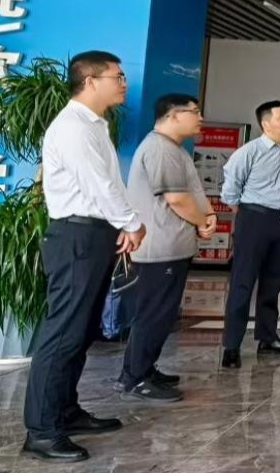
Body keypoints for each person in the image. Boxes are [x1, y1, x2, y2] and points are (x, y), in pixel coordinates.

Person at [23, 51, 147, 464]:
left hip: (94, 234)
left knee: (81, 331)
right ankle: (42, 431)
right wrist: (131, 223)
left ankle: (66, 410)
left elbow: (110, 183)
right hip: (75, 236)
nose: (124, 83)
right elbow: (98, 186)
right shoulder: (73, 127)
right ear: (90, 81)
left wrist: (121, 224)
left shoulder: (95, 125)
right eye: (117, 76)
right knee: (62, 333)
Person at [117, 94, 218, 403]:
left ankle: (143, 369)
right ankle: (136, 378)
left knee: (160, 314)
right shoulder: (160, 149)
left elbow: (192, 191)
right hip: (159, 249)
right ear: (173, 116)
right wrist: (202, 221)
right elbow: (177, 199)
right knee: (153, 314)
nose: (200, 118)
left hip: (172, 246)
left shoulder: (175, 149)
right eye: (194, 112)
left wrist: (208, 215)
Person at [220, 100, 280, 368]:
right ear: (266, 124)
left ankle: (267, 338)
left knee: (273, 282)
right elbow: (230, 192)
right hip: (254, 219)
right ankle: (231, 346)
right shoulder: (248, 152)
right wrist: (250, 215)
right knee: (243, 282)